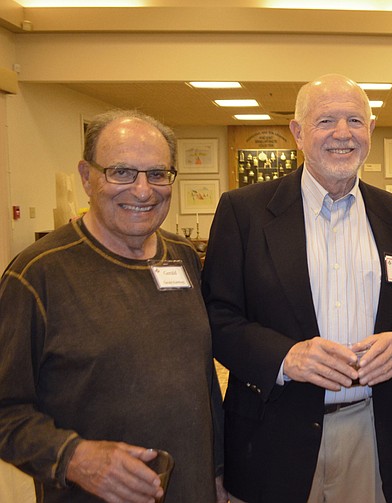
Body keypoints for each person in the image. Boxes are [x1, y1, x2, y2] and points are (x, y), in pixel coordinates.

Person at [202, 74, 392, 503]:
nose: (342, 133)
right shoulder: (245, 212)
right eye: (326, 120)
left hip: (371, 430)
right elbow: (217, 315)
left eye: (355, 119)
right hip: (274, 432)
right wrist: (284, 357)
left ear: (370, 130)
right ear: (298, 132)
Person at [0, 109, 225, 502]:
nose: (142, 191)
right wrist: (74, 457)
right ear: (87, 177)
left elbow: (202, 381)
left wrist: (219, 472)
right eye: (121, 172)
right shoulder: (37, 276)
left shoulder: (184, 257)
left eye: (157, 174)